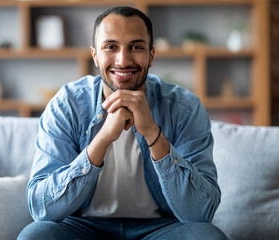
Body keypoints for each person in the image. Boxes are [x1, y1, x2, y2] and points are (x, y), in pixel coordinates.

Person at [18, 6, 228, 240]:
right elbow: (41, 208)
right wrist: (104, 138)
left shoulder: (185, 108)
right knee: (35, 235)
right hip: (83, 228)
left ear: (151, 55)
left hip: (162, 229)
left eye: (136, 47)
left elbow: (200, 212)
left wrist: (152, 133)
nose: (123, 60)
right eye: (110, 47)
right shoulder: (66, 105)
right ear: (95, 54)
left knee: (208, 236)